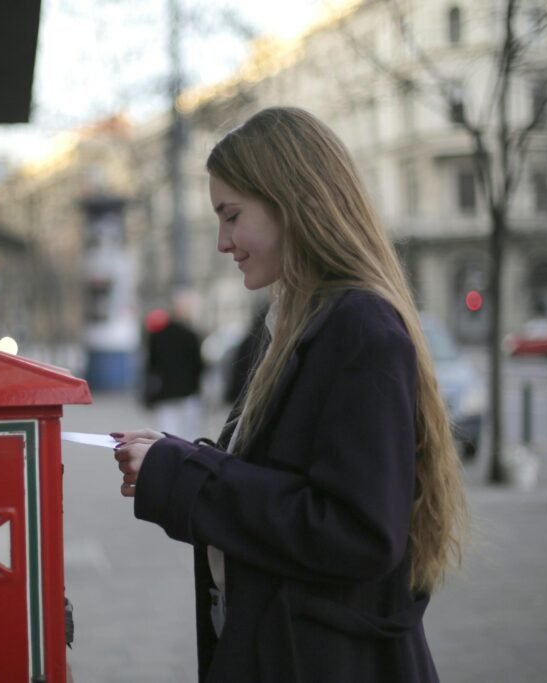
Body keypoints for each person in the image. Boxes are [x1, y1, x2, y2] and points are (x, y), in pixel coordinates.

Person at [111, 107, 467, 682]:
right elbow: (287, 480)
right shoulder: (304, 322)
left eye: (232, 216)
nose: (224, 242)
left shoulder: (359, 327)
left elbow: (356, 531)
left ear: (290, 202)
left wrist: (184, 477)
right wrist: (178, 458)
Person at [141, 292, 206, 440]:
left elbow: (151, 366)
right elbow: (199, 366)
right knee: (190, 437)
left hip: (165, 393)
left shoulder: (157, 335)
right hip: (188, 393)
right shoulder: (191, 335)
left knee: (165, 435)